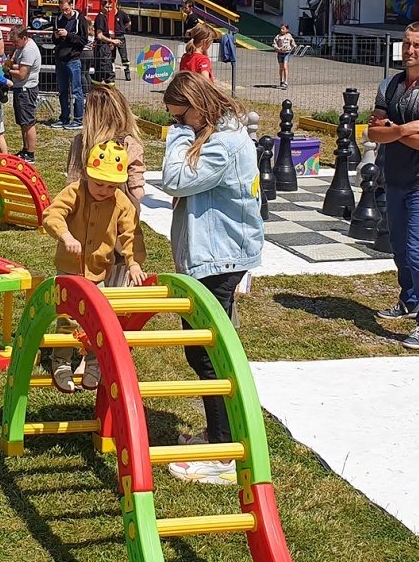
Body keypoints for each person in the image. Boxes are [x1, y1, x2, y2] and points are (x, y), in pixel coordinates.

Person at [159, 71, 264, 485]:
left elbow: (174, 179)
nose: (177, 124)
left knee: (209, 356)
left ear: (199, 106)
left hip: (220, 259)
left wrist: (177, 137)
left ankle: (223, 455)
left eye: (180, 116)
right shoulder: (217, 133)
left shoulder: (225, 142)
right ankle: (221, 432)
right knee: (205, 352)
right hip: (214, 256)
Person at [366, 21, 419, 349]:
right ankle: (409, 299)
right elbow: (374, 133)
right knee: (399, 248)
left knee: (417, 252)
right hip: (395, 179)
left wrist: (392, 129)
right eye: (406, 43)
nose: (409, 50)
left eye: (417, 45)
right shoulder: (389, 85)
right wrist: (402, 129)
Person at [42, 140, 147, 393]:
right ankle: (61, 360)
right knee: (68, 318)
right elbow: (52, 215)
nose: (104, 190)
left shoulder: (121, 202)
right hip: (69, 269)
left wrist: (133, 263)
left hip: (98, 272)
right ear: (88, 174)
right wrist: (65, 235)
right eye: (99, 184)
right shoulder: (75, 192)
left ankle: (92, 362)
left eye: (111, 186)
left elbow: (131, 233)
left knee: (96, 320)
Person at [65, 85, 146, 205]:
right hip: (117, 211)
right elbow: (137, 193)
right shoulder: (128, 144)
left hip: (84, 209)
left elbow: (72, 179)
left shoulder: (80, 141)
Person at [4, 21, 43, 162]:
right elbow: (15, 62)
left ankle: (31, 153)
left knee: (28, 122)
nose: (14, 45)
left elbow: (21, 74)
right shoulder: (20, 48)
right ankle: (25, 149)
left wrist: (8, 70)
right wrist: (11, 64)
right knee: (22, 122)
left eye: (16, 42)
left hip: (26, 88)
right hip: (20, 88)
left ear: (24, 38)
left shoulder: (29, 50)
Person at [52, 0, 88, 130]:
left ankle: (78, 120)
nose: (64, 12)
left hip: (73, 59)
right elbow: (55, 41)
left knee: (76, 90)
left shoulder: (80, 19)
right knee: (62, 91)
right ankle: (64, 118)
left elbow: (83, 40)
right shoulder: (59, 19)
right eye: (62, 10)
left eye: (66, 9)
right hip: (60, 59)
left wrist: (68, 34)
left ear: (71, 5)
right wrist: (55, 36)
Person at [91, 0, 119, 86]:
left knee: (98, 73)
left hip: (102, 47)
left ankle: (95, 90)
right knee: (108, 72)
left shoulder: (103, 17)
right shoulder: (100, 18)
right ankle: (111, 91)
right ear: (101, 6)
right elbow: (100, 36)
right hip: (102, 48)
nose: (109, 9)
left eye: (110, 7)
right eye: (107, 7)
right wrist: (112, 41)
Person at [273, 24, 296, 91]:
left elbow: (292, 42)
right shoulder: (278, 36)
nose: (281, 30)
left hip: (286, 53)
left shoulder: (289, 36)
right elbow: (274, 43)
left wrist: (294, 46)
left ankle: (286, 82)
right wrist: (277, 48)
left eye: (283, 29)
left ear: (287, 30)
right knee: (281, 68)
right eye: (281, 29)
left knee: (285, 67)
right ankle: (281, 80)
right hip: (280, 53)